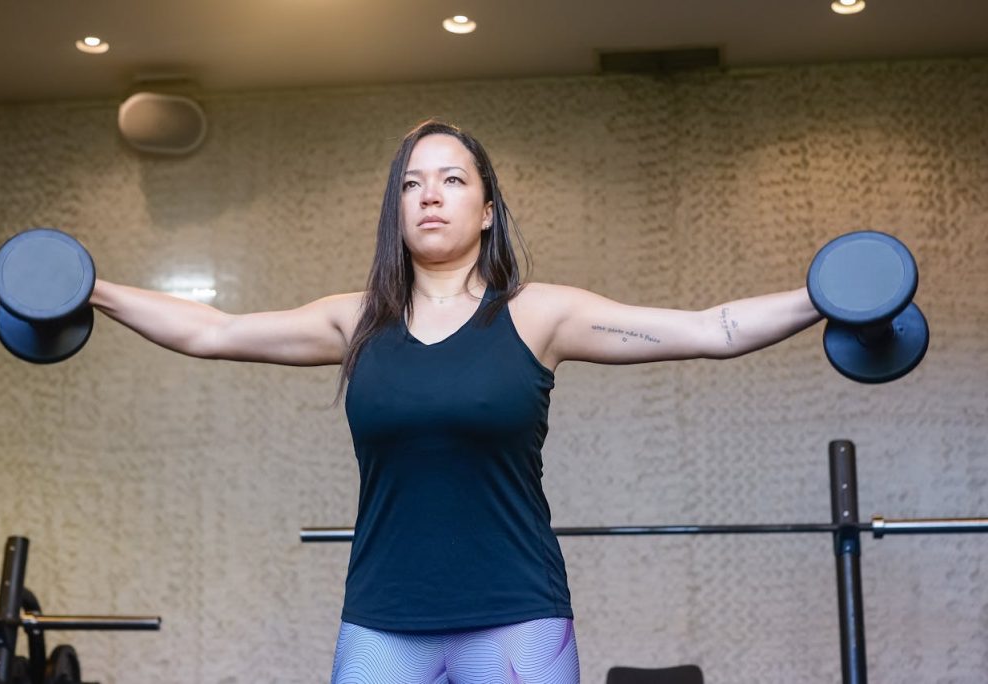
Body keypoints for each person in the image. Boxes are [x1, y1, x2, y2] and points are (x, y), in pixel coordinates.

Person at [90, 120, 822, 683]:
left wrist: (827, 295)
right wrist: (87, 289)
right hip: (384, 621)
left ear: (487, 210)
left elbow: (708, 330)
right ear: (398, 209)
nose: (430, 194)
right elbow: (212, 331)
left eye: (451, 180)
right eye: (412, 185)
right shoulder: (356, 322)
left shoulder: (540, 314)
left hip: (516, 616)